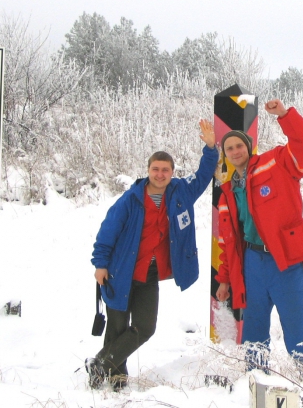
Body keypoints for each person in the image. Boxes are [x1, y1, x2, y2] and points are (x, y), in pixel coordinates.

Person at [87, 119, 217, 389]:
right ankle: (116, 377)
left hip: (150, 274)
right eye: (155, 169)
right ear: (148, 171)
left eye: (165, 170)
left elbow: (204, 174)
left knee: (145, 327)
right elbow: (107, 231)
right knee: (117, 327)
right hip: (120, 271)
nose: (160, 174)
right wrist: (100, 264)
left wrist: (210, 147)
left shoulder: (181, 191)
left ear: (172, 172)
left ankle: (100, 363)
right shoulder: (130, 199)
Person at [214, 99, 303, 378]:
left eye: (239, 145)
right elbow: (228, 241)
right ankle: (255, 377)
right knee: (253, 327)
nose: (236, 151)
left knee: (296, 323)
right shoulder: (227, 191)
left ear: (249, 147)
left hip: (283, 259)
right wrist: (224, 278)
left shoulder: (275, 162)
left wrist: (285, 115)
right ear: (225, 154)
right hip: (252, 262)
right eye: (229, 148)